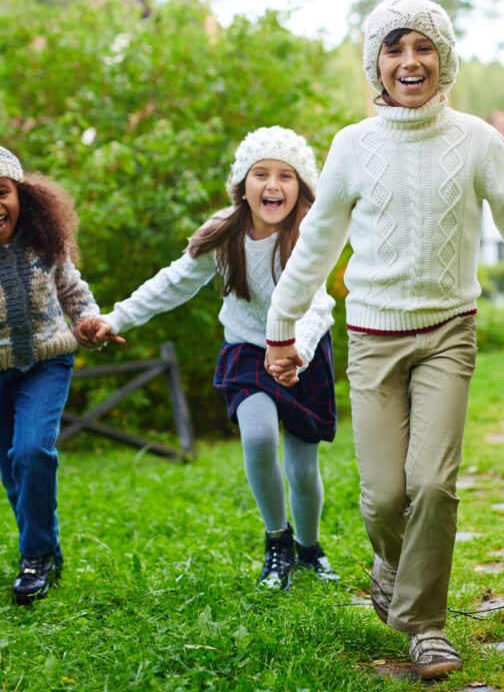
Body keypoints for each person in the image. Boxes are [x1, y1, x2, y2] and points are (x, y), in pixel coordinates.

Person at [264, 0, 504, 680]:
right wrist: (281, 329)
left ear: (444, 59)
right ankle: (390, 561)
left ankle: (424, 625)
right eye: (395, 49)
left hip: (447, 334)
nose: (410, 61)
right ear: (375, 65)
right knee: (383, 495)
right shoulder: (353, 146)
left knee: (431, 485)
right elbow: (317, 245)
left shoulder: (478, 141)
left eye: (423, 48)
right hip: (374, 339)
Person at [84, 127, 339, 591]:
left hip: (303, 350)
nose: (273, 185)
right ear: (242, 184)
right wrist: (116, 318)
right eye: (260, 173)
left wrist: (296, 351)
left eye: (286, 175)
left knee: (303, 470)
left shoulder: (311, 234)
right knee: (259, 437)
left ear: (302, 187)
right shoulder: (224, 235)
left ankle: (310, 547)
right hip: (246, 349)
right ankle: (277, 543)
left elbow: (319, 303)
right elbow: (173, 281)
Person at [0, 145, 116, 605]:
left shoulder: (44, 242)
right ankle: (44, 548)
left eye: (2, 192)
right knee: (12, 470)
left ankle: (35, 559)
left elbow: (73, 291)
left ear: (21, 196)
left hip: (48, 361)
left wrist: (90, 321)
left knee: (31, 452)